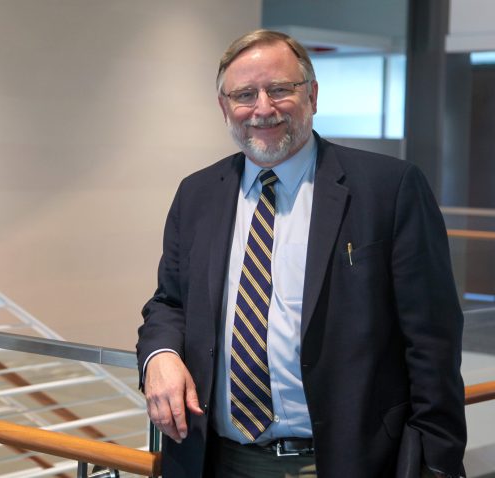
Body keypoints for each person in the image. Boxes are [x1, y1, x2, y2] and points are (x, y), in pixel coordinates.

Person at [137, 29, 466, 478]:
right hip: (217, 461)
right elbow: (169, 303)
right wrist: (160, 357)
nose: (263, 108)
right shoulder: (196, 194)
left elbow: (432, 343)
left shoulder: (389, 189)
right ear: (224, 107)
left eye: (280, 89)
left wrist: (437, 464)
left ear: (312, 94)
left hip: (347, 461)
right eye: (245, 94)